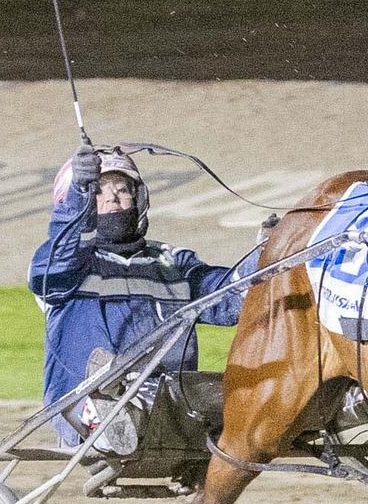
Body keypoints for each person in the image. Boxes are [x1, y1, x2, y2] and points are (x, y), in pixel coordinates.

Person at [30, 144, 249, 453]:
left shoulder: (173, 262)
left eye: (122, 190)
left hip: (171, 398)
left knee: (239, 393)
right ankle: (109, 419)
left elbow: (234, 298)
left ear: (139, 199)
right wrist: (77, 195)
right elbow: (57, 259)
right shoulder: (65, 266)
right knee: (113, 395)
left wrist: (269, 254)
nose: (113, 199)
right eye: (98, 192)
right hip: (85, 403)